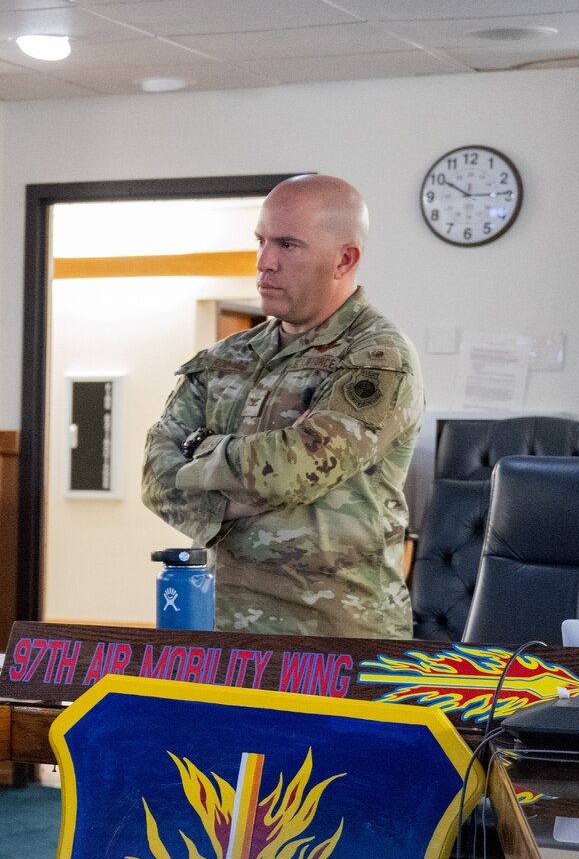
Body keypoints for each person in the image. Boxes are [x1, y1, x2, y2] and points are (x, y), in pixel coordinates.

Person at [142, 174, 422, 638]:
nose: (264, 262)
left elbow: (294, 468)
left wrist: (201, 452)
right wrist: (247, 486)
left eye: (288, 245)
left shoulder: (377, 358)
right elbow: (155, 478)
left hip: (333, 638)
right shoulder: (223, 358)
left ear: (344, 259)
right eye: (261, 241)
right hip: (216, 626)